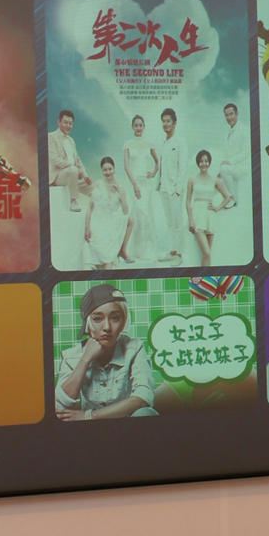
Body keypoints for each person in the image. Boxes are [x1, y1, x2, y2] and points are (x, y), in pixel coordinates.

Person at [55, 283, 157, 420]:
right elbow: (60, 405)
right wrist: (85, 360)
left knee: (146, 413)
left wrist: (89, 416)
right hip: (88, 429)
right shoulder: (71, 356)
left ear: (124, 321)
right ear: (87, 322)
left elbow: (143, 398)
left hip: (127, 426)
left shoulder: (134, 348)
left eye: (115, 318)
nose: (107, 327)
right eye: (97, 319)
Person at [186, 149, 234, 267]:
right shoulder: (192, 179)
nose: (204, 163)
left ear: (209, 162)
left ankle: (206, 277)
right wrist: (190, 219)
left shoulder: (215, 180)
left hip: (210, 217)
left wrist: (217, 208)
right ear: (198, 162)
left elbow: (228, 197)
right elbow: (187, 201)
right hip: (197, 216)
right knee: (206, 253)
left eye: (206, 161)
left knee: (207, 255)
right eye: (201, 161)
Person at [84, 156, 132, 269]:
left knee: (131, 220)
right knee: (104, 259)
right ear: (101, 171)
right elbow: (90, 207)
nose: (108, 172)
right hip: (98, 220)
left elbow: (125, 211)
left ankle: (122, 250)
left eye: (110, 169)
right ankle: (104, 262)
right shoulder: (97, 184)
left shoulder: (120, 187)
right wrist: (87, 227)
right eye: (105, 170)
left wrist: (121, 194)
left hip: (111, 220)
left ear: (114, 169)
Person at [122, 114, 159, 262]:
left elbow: (158, 161)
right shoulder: (127, 144)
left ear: (144, 127)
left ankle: (144, 250)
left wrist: (153, 172)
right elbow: (126, 167)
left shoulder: (149, 143)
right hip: (133, 183)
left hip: (146, 184)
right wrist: (135, 185)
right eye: (136, 125)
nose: (138, 128)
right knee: (134, 215)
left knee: (145, 215)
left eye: (140, 125)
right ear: (132, 127)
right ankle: (129, 250)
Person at [47, 108, 91, 210]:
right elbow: (54, 159)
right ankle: (73, 201)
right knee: (73, 170)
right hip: (57, 177)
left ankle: (98, 202)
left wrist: (85, 175)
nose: (68, 125)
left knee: (91, 184)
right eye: (65, 122)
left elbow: (78, 160)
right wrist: (72, 167)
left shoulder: (71, 141)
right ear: (58, 122)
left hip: (73, 174)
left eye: (70, 123)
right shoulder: (50, 137)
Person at [156, 107, 184, 262]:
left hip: (175, 190)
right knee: (169, 222)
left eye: (168, 121)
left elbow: (182, 167)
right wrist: (159, 185)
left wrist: (177, 190)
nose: (165, 124)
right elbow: (161, 165)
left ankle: (179, 254)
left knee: (177, 222)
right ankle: (172, 251)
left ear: (174, 123)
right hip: (164, 189)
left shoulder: (180, 142)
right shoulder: (163, 143)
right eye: (163, 121)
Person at [217, 102, 248, 203]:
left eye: (231, 114)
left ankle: (231, 199)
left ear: (237, 114)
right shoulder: (227, 131)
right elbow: (225, 153)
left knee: (224, 169)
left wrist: (229, 161)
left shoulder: (244, 130)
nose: (229, 117)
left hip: (242, 166)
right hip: (232, 168)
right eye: (226, 115)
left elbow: (246, 152)